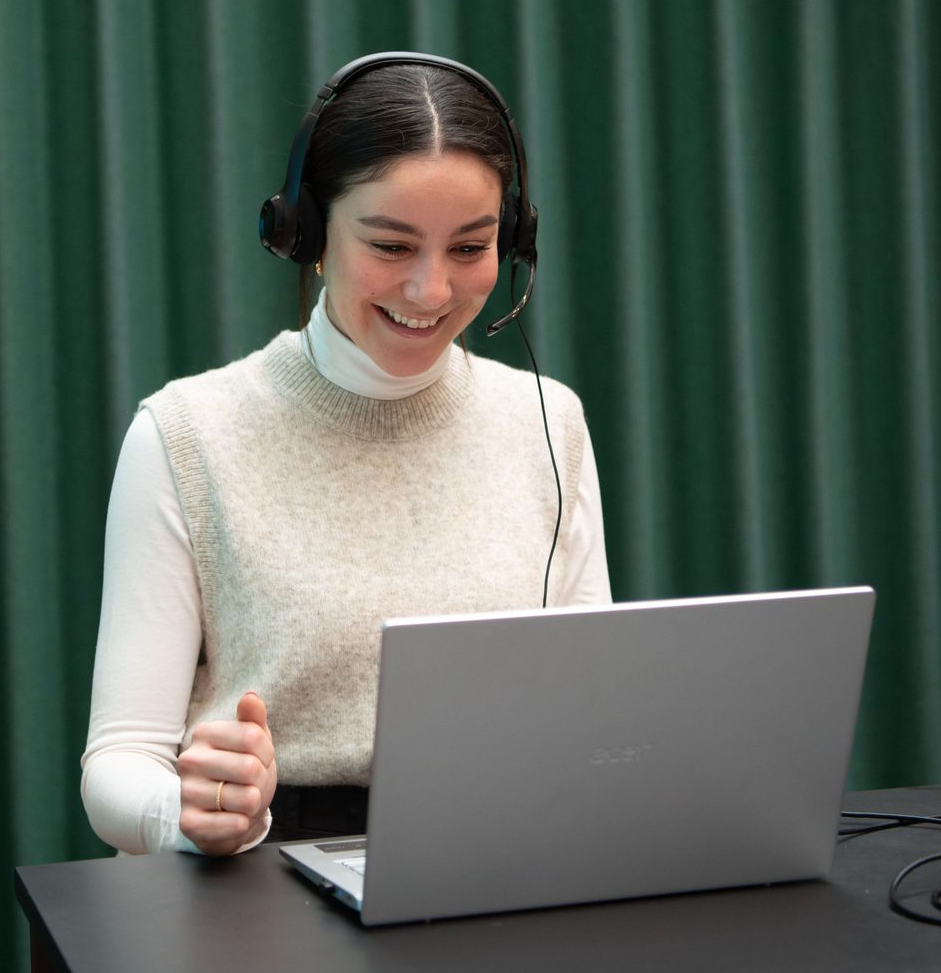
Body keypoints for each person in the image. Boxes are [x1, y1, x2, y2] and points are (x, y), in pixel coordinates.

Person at [80, 53, 612, 856]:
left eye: (470, 248)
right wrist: (192, 815)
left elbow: (594, 717)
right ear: (306, 233)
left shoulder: (549, 421)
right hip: (262, 888)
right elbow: (118, 764)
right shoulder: (186, 434)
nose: (431, 290)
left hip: (499, 875)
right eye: (392, 246)